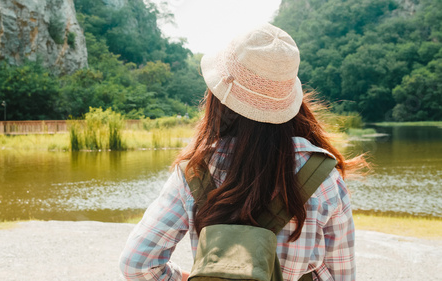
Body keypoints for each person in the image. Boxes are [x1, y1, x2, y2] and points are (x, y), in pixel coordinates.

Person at [120, 23, 361, 281]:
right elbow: (341, 276)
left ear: (218, 97)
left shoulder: (195, 171)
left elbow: (136, 265)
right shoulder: (324, 178)